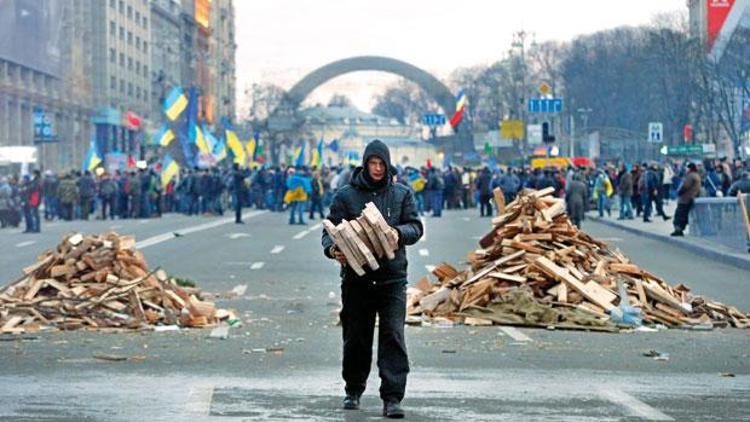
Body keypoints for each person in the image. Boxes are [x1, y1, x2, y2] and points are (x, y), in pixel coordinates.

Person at [322, 139, 423, 418]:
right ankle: (353, 390)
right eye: (372, 163)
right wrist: (333, 250)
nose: (377, 169)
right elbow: (328, 232)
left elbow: (416, 226)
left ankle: (392, 398)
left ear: (388, 165)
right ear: (365, 164)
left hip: (392, 279)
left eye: (381, 164)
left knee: (393, 334)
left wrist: (398, 234)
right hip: (357, 280)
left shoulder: (401, 194)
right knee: (356, 336)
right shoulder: (346, 195)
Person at [671, 163, 702, 237]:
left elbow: (685, 186)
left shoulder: (690, 176)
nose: (685, 169)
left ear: (690, 168)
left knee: (679, 215)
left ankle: (678, 229)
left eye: (687, 168)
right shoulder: (697, 176)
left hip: (685, 199)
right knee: (684, 215)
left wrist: (679, 192)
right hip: (691, 198)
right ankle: (680, 229)